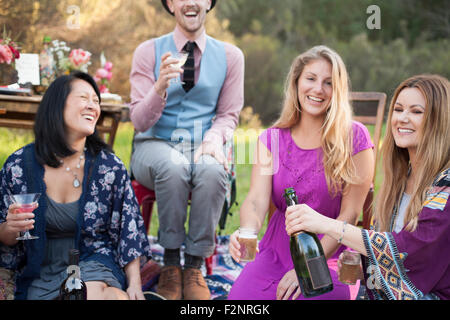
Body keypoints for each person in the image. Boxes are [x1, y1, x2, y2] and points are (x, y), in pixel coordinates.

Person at [228, 45, 374, 300]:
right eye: (311, 79)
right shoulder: (271, 138)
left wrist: (309, 266)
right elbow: (256, 200)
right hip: (276, 250)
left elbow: (350, 214)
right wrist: (246, 231)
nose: (318, 89)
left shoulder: (355, 137)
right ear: (296, 83)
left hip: (331, 253)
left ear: (337, 90)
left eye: (328, 83)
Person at [285, 74, 450, 300]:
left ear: (439, 120)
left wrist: (326, 225)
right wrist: (365, 270)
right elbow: (396, 257)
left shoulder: (446, 184)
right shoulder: (401, 179)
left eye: (416, 111)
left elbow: (412, 248)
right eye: (398, 109)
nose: (402, 118)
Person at [0, 71, 152, 300]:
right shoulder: (19, 165)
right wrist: (10, 228)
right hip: (38, 268)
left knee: (100, 295)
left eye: (96, 101)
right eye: (84, 98)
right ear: (57, 105)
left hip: (92, 260)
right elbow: (5, 237)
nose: (93, 106)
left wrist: (135, 285)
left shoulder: (109, 168)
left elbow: (128, 232)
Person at [129, 0, 244, 300]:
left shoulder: (231, 56)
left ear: (208, 2)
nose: (191, 1)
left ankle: (193, 265)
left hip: (202, 143)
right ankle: (169, 262)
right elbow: (139, 121)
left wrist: (213, 140)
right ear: (170, 4)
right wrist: (159, 88)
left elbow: (228, 115)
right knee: (173, 165)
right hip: (153, 144)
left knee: (212, 169)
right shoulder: (148, 51)